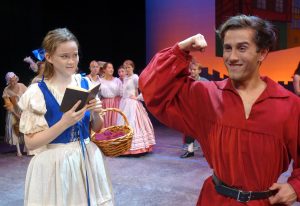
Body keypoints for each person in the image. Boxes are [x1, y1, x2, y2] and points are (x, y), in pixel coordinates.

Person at [139, 14, 300, 205]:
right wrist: (180, 50)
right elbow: (152, 89)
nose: (232, 57)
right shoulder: (206, 95)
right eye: (227, 48)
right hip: (214, 200)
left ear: (262, 53)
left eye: (242, 48)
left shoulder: (290, 105)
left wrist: (296, 187)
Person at [18, 28, 114, 205]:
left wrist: (95, 112)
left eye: (75, 55)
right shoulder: (37, 92)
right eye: (64, 56)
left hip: (87, 160)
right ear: (49, 57)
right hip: (55, 166)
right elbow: (30, 142)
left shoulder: (85, 83)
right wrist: (64, 123)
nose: (72, 61)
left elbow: (97, 128)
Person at [117, 59, 155, 155]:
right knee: (124, 123)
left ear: (132, 67)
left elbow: (144, 89)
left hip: (133, 104)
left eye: (129, 67)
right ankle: (124, 147)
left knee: (133, 123)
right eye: (125, 68)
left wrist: (138, 97)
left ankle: (137, 147)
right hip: (124, 104)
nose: (127, 69)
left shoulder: (135, 77)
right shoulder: (125, 78)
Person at [180, 59, 208, 158]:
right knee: (189, 131)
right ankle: (190, 151)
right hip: (189, 111)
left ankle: (207, 151)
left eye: (194, 70)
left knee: (204, 132)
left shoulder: (205, 82)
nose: (192, 71)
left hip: (201, 112)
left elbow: (208, 97)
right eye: (191, 69)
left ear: (199, 71)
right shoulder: (186, 81)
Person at [2, 72, 28, 157]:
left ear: (16, 79)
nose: (13, 83)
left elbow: (29, 96)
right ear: (8, 82)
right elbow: (8, 104)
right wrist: (16, 115)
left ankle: (27, 148)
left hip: (24, 109)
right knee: (14, 128)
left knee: (26, 129)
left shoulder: (21, 86)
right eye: (11, 82)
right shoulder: (6, 90)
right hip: (13, 111)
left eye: (14, 80)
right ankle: (18, 151)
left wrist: (25, 112)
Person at [99, 62, 122, 128]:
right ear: (104, 70)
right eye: (109, 68)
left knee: (115, 124)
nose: (111, 69)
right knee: (105, 123)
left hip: (115, 103)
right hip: (104, 104)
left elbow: (121, 93)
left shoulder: (117, 80)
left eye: (112, 68)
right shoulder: (100, 81)